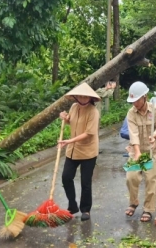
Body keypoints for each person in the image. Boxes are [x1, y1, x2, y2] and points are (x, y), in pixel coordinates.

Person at [58, 82, 101, 221]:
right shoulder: (73, 107)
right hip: (73, 151)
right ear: (76, 97)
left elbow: (89, 133)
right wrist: (65, 118)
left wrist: (69, 141)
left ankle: (86, 210)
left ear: (90, 98)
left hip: (88, 151)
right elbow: (72, 121)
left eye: (85, 96)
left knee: (85, 182)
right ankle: (72, 205)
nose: (82, 98)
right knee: (66, 177)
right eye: (80, 96)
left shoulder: (93, 112)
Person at [124, 81, 156, 222]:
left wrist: (154, 136)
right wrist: (136, 152)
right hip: (137, 151)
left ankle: (148, 209)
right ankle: (133, 202)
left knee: (150, 181)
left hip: (152, 153)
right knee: (131, 178)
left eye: (136, 100)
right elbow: (133, 133)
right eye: (132, 101)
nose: (134, 103)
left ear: (145, 97)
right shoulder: (131, 113)